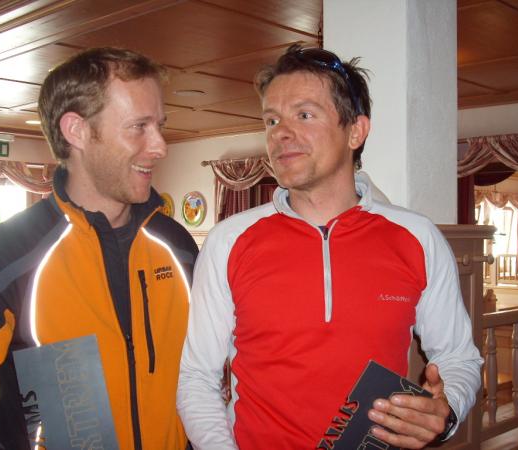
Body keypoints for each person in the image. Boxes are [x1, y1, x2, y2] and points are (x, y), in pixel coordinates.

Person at [177, 44, 483, 449]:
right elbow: (197, 377)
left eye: (304, 114)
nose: (280, 133)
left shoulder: (417, 237)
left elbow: (459, 357)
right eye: (271, 119)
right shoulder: (228, 241)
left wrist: (447, 410)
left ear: (355, 131)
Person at [0, 47, 198, 450]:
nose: (160, 146)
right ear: (76, 131)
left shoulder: (178, 248)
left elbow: (202, 377)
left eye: (159, 125)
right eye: (139, 127)